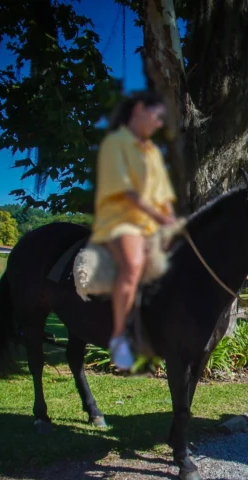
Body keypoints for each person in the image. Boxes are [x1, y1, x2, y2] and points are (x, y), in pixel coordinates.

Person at [90, 91, 178, 371]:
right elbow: (125, 191)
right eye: (157, 117)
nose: (159, 124)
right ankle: (118, 338)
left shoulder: (151, 152)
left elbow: (163, 196)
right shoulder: (116, 143)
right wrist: (157, 216)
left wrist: (171, 220)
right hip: (121, 220)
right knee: (133, 263)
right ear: (140, 109)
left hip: (151, 224)